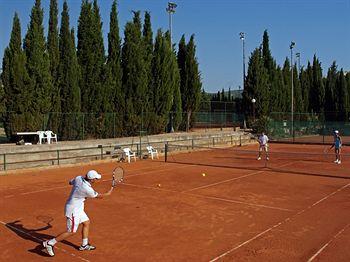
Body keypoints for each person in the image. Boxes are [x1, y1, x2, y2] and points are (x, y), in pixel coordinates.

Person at [43, 170, 114, 257]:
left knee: (86, 223)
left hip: (78, 208)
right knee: (71, 231)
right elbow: (100, 197)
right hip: (73, 210)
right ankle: (49, 243)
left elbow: (70, 182)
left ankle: (84, 245)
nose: (97, 180)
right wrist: (108, 193)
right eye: (96, 178)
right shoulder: (87, 189)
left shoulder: (78, 178)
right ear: (91, 180)